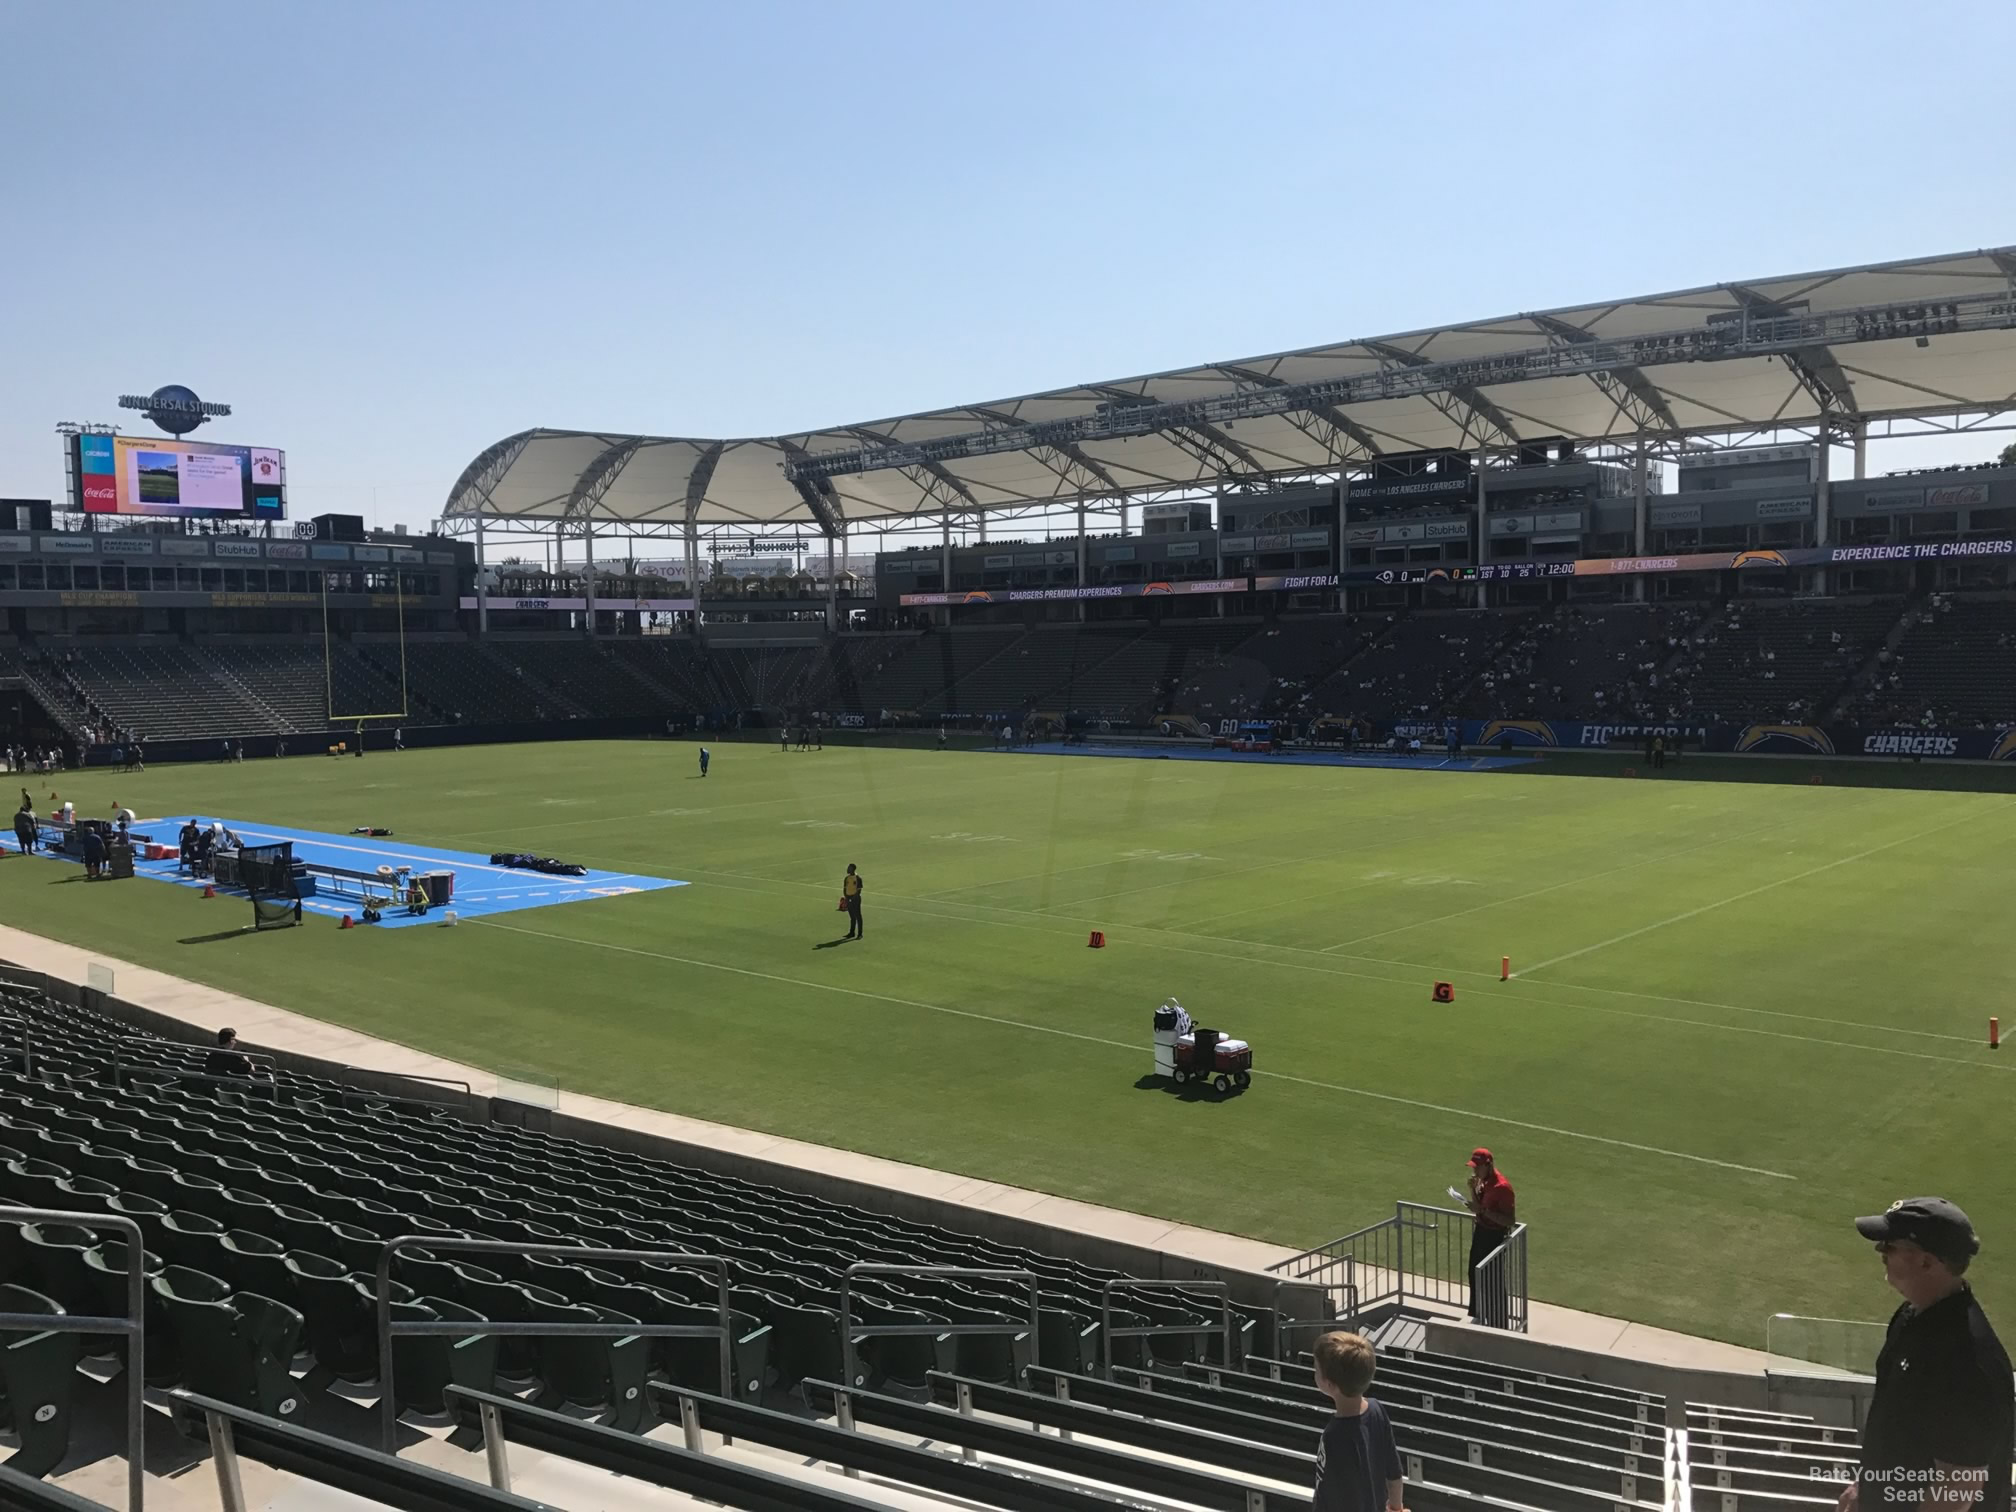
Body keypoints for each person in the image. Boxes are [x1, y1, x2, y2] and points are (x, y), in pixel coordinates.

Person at [1843, 1198, 2010, 1512]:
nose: (1880, 1252)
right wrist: (1866, 1486)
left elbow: (1958, 1487)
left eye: (1890, 1246)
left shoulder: (1968, 1360)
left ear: (1926, 1262)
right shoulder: (1913, 1315)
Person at [1310, 1331, 1406, 1512]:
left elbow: (1334, 1495)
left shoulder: (1334, 1436)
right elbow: (1394, 1473)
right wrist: (1396, 1508)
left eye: (1316, 1369)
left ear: (1329, 1384)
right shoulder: (1377, 1409)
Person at [1461, 1148, 1517, 1327]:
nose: (1474, 1171)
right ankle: (1476, 1316)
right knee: (1474, 1273)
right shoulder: (1482, 1182)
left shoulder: (1502, 1187)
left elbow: (1509, 1219)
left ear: (1488, 1165)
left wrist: (1484, 1211)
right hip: (1481, 1232)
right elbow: (1479, 1207)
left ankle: (1499, 1323)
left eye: (1477, 1167)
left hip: (1494, 1237)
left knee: (1493, 1281)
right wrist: (1472, 1191)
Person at [841, 862, 864, 939]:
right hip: (849, 898)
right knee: (852, 917)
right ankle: (852, 932)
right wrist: (846, 897)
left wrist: (852, 898)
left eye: (849, 868)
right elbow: (844, 888)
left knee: (858, 916)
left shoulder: (858, 878)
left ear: (853, 869)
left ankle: (860, 934)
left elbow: (859, 891)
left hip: (856, 899)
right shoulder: (846, 878)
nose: (847, 869)